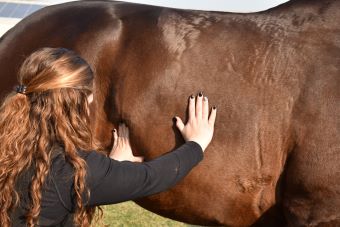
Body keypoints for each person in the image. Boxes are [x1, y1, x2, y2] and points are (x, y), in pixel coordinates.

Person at [0, 47, 217, 227]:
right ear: (75, 101)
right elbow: (151, 177)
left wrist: (110, 167)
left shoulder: (8, 145)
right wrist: (196, 144)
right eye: (88, 93)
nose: (92, 99)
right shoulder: (72, 169)